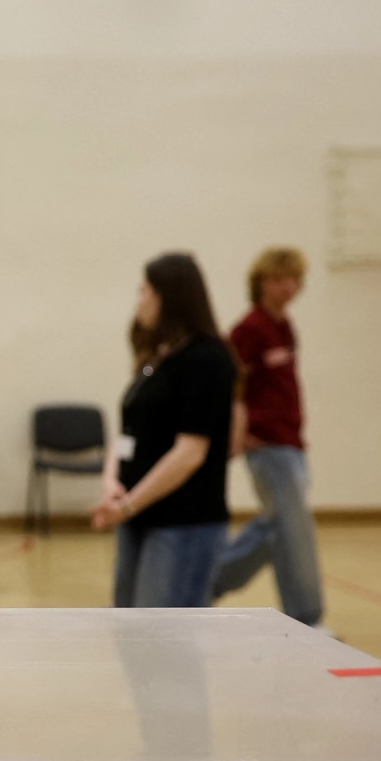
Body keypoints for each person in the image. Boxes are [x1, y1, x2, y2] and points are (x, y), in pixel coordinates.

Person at [91, 253, 236, 608]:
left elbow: (190, 453)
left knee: (163, 635)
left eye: (145, 291)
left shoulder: (208, 359)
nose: (139, 300)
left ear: (168, 297)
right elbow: (128, 431)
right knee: (129, 627)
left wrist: (128, 505)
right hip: (137, 514)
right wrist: (112, 483)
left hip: (183, 523)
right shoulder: (158, 358)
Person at [210, 247, 326, 627]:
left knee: (278, 526)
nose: (288, 287)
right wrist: (242, 433)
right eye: (279, 280)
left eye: (294, 279)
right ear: (261, 283)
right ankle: (306, 617)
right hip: (268, 445)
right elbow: (228, 385)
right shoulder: (250, 329)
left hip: (290, 440)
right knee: (293, 530)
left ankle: (204, 584)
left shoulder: (284, 326)